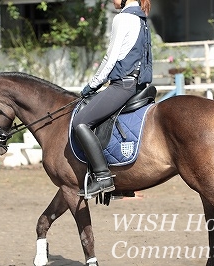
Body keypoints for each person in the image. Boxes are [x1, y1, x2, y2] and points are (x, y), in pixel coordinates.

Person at [73, 0, 153, 198]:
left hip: (123, 85)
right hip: (138, 84)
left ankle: (102, 177)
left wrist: (93, 84)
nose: (111, 0)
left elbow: (111, 57)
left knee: (80, 122)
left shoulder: (123, 18)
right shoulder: (141, 18)